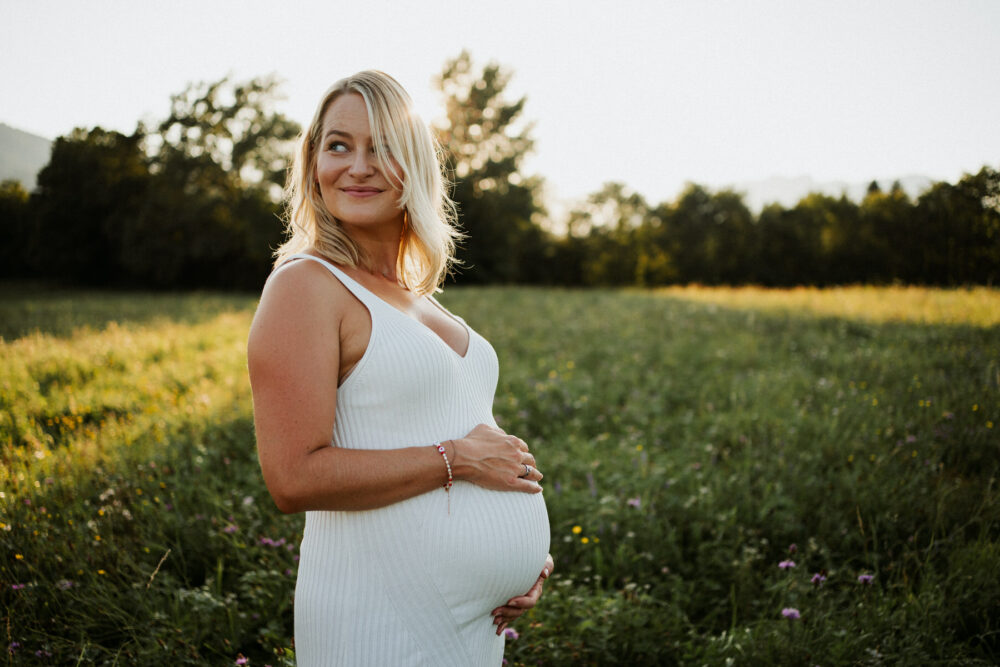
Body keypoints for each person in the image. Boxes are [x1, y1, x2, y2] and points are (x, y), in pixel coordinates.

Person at [247, 70, 553, 667]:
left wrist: (525, 557)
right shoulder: (306, 286)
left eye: (382, 147)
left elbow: (471, 434)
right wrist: (457, 460)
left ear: (415, 164)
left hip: (474, 627)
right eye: (338, 145)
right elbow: (292, 477)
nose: (357, 166)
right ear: (312, 162)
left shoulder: (412, 295)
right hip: (380, 620)